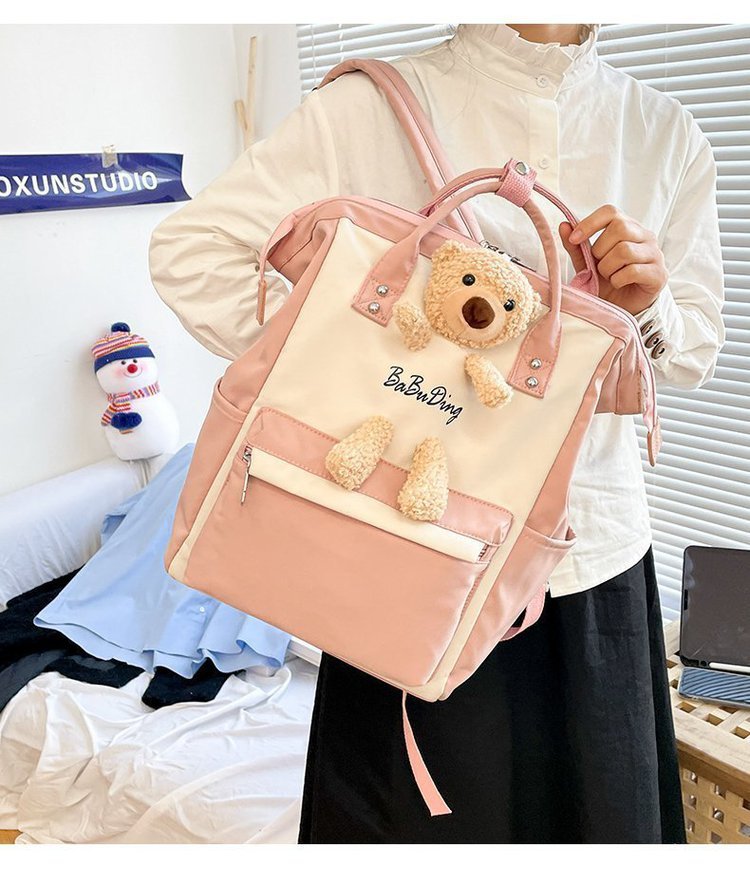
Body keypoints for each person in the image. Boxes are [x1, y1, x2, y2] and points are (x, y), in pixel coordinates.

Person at [148, 23, 726, 843]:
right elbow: (193, 252)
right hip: (404, 553)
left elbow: (694, 351)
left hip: (592, 556)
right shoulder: (369, 108)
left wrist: (651, 304)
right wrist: (352, 365)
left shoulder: (664, 131)